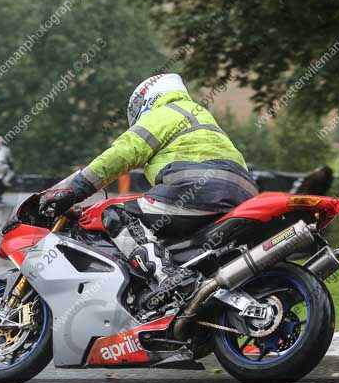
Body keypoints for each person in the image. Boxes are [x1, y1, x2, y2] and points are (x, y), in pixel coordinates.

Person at [39, 73, 258, 303]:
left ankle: (169, 278)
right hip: (243, 194)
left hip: (198, 190)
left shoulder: (165, 113)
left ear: (149, 98)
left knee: (116, 214)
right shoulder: (203, 117)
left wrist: (74, 190)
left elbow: (122, 153)